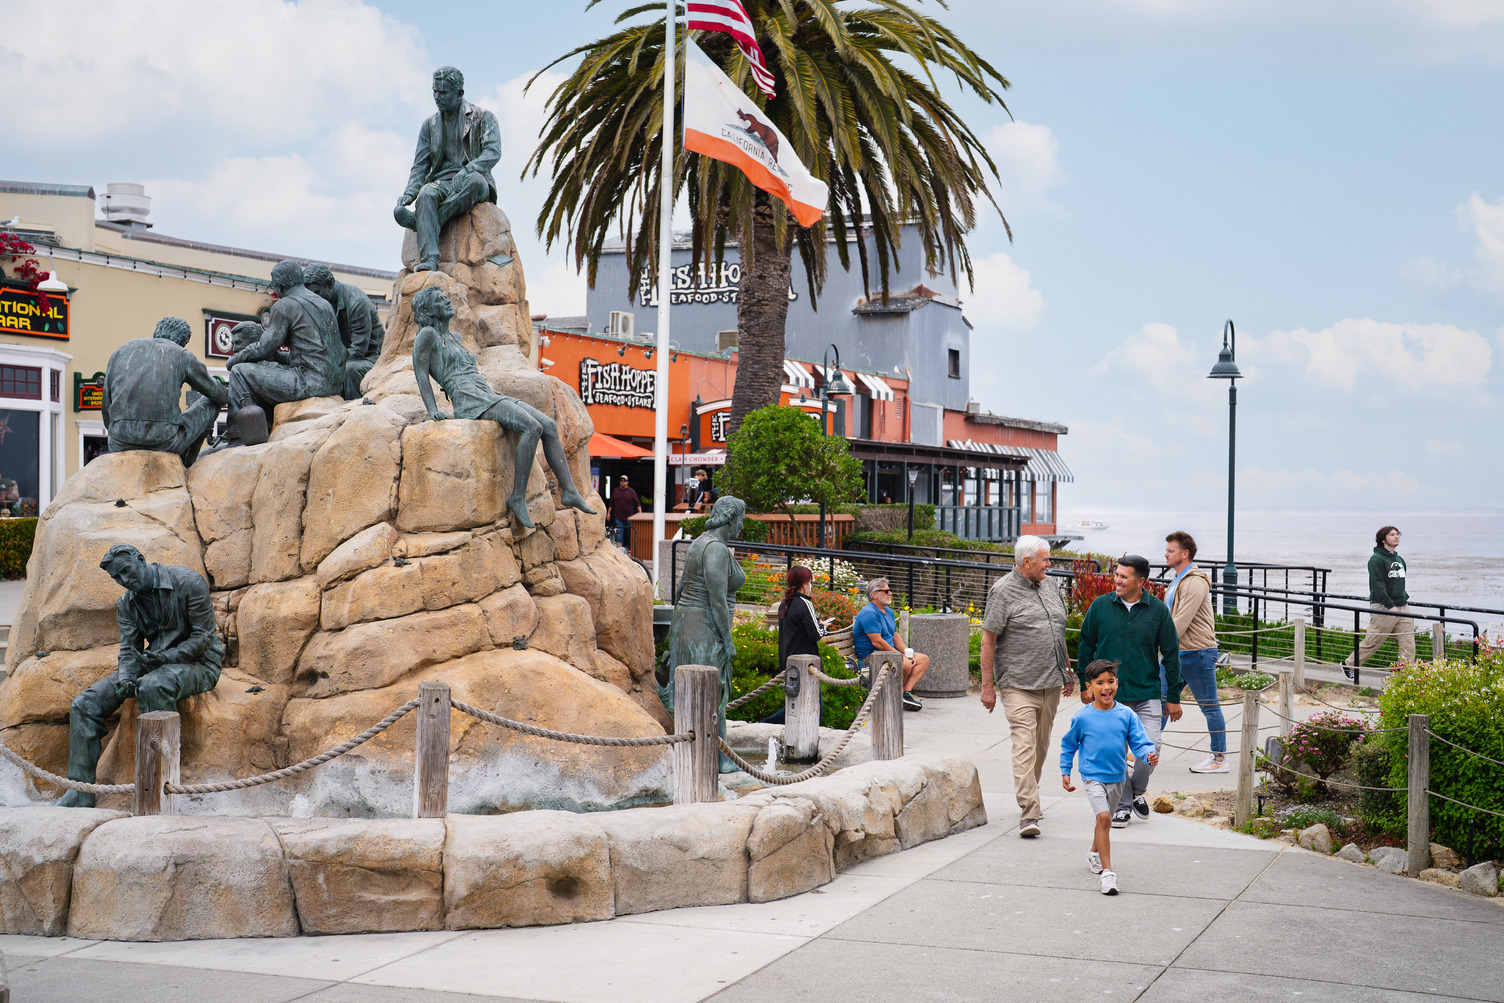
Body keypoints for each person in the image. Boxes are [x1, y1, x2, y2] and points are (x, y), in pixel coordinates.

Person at [410, 286, 595, 529]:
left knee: (548, 426)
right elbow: (421, 373)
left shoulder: (455, 337)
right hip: (468, 400)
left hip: (485, 393)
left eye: (445, 296)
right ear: (427, 309)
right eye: (439, 299)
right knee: (532, 427)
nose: (446, 301)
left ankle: (570, 491)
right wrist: (433, 408)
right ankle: (517, 497)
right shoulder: (427, 335)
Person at [57, 543, 223, 808]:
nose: (124, 580)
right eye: (117, 577)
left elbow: (203, 637)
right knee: (84, 704)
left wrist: (167, 658)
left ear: (141, 559)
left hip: (200, 663)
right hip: (153, 663)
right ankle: (80, 791)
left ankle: (158, 788)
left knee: (152, 686)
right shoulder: (126, 603)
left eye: (125, 571)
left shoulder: (189, 582)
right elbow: (128, 649)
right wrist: (125, 678)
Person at [1076, 555, 1183, 828]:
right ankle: (1122, 806)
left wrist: (1173, 697)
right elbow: (1085, 645)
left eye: (1124, 576)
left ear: (1141, 581)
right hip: (1109, 699)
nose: (1117, 580)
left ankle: (1136, 790)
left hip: (1147, 693)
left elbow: (1171, 654)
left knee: (1151, 749)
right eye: (1116, 574)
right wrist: (1084, 685)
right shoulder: (1100, 606)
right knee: (1115, 753)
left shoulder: (1158, 611)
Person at [979, 535, 1075, 837]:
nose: (1050, 564)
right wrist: (987, 687)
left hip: (1050, 681)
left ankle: (1029, 795)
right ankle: (1029, 812)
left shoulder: (1049, 585)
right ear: (1027, 562)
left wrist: (1068, 669)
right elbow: (988, 640)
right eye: (1045, 560)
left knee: (1041, 746)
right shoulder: (1002, 592)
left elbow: (1057, 630)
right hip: (1017, 683)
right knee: (1024, 744)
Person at [658, 495, 748, 772]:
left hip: (686, 623)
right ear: (732, 519)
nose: (742, 527)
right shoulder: (717, 549)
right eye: (742, 520)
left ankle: (705, 756)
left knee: (697, 690)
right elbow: (718, 599)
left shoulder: (699, 541)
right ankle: (717, 759)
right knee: (713, 690)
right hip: (705, 629)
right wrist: (729, 641)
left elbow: (681, 587)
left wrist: (676, 629)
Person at [1060, 659, 1159, 895]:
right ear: (1089, 686)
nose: (1106, 687)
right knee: (1104, 818)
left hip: (1118, 778)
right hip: (1092, 776)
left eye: (1111, 682)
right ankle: (1108, 874)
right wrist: (1066, 771)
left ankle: (1093, 852)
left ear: (1117, 683)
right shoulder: (1083, 717)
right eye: (1099, 683)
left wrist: (1148, 754)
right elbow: (1068, 745)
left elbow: (1140, 741)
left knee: (1102, 822)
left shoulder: (1126, 715)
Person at [222, 259, 344, 447]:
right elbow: (319, 353)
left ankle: (237, 438)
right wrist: (279, 357)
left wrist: (234, 360)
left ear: (279, 285)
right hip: (333, 383)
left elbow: (264, 346)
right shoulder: (324, 303)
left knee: (240, 372)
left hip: (309, 382)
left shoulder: (285, 305)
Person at [394, 66, 502, 272]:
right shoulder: (429, 125)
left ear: (459, 93)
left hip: (474, 179)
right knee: (426, 194)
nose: (437, 97)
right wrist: (409, 194)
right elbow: (420, 166)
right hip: (442, 183)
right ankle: (430, 260)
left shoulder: (483, 117)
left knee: (475, 182)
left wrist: (469, 169)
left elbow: (493, 152)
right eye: (435, 91)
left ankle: (425, 222)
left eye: (443, 92)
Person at [101, 316, 229, 466]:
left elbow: (106, 406)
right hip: (164, 442)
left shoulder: (120, 351)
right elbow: (218, 395)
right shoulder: (182, 354)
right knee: (211, 404)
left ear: (157, 331)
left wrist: (118, 433)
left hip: (119, 441)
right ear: (183, 341)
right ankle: (185, 467)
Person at [1163, 531, 1227, 774]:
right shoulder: (1177, 580)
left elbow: (1180, 621)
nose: (1166, 554)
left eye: (1171, 550)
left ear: (1184, 553)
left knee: (1209, 706)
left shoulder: (1195, 581)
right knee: (1159, 703)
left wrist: (1159, 649)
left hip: (1198, 652)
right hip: (1178, 653)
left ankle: (1220, 758)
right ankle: (1145, 751)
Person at [303, 263, 384, 400]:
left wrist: (332, 367)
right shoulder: (321, 304)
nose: (313, 298)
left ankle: (354, 408)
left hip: (370, 359)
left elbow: (358, 350)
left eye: (316, 292)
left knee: (348, 370)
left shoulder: (356, 302)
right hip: (344, 358)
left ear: (329, 284)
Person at [767, 565, 831, 726]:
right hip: (806, 664)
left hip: (788, 661)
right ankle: (764, 724)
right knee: (816, 707)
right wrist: (823, 627)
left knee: (794, 704)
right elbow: (815, 635)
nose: (811, 585)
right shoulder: (805, 604)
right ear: (805, 584)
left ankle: (766, 725)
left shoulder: (784, 604)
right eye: (810, 582)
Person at [853, 577, 929, 711]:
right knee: (904, 663)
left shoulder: (888, 611)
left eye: (890, 590)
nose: (890, 593)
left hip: (886, 652)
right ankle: (895, 694)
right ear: (874, 595)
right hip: (871, 656)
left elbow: (894, 635)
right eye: (886, 591)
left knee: (922, 659)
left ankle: (905, 693)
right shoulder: (869, 613)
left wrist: (906, 652)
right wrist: (900, 656)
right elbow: (877, 641)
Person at [1345, 525, 1413, 675]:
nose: (1396, 537)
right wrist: (1390, 605)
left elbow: (1399, 582)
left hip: (1402, 606)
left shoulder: (1399, 559)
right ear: (1383, 539)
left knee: (1408, 643)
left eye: (1397, 534)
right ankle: (1348, 665)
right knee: (1373, 641)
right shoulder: (1376, 559)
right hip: (1383, 607)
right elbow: (1378, 585)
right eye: (1392, 535)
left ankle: (1405, 675)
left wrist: (1403, 599)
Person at [610, 475, 640, 546]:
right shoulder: (615, 491)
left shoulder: (631, 491)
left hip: (629, 516)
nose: (622, 482)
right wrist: (608, 513)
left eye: (624, 481)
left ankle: (631, 548)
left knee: (631, 533)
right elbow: (611, 503)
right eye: (621, 481)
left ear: (627, 482)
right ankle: (620, 549)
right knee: (619, 534)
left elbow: (637, 503)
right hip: (618, 516)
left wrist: (640, 513)